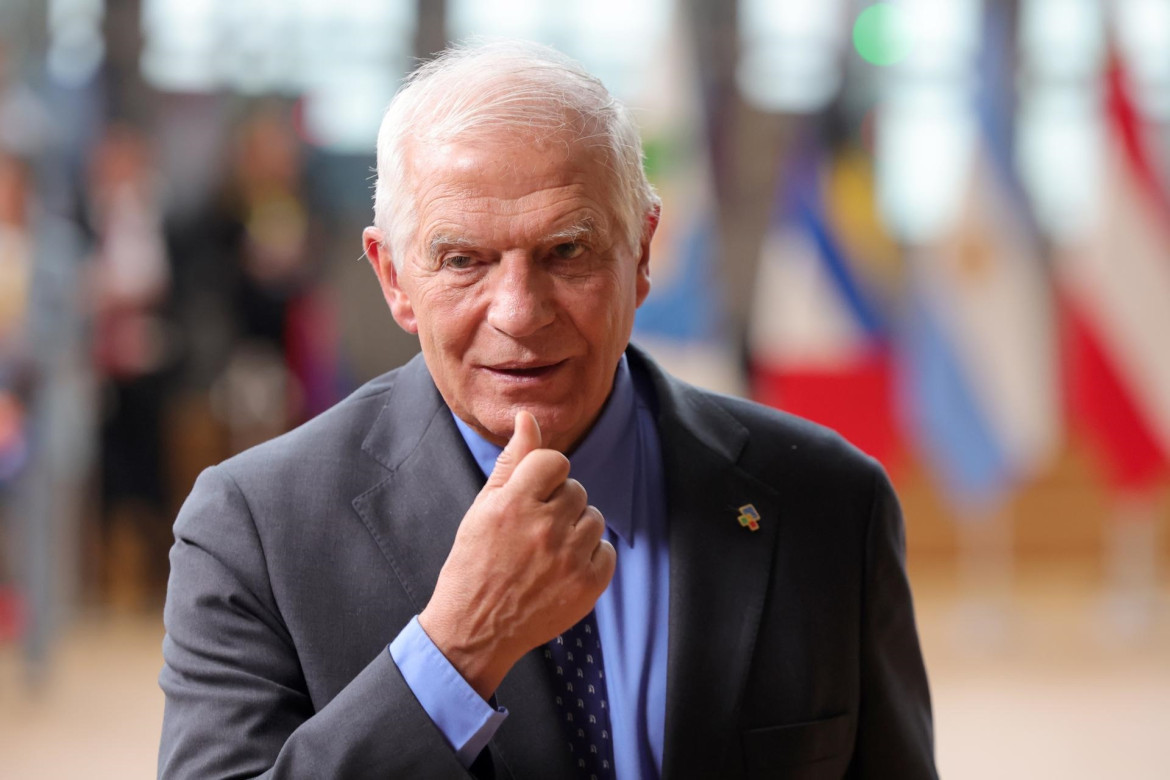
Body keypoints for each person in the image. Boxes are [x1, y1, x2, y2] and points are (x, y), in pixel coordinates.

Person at [158, 41, 937, 779]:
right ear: (394, 277)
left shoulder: (833, 503)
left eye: (566, 251)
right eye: (463, 260)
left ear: (641, 254)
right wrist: (455, 654)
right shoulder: (253, 529)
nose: (519, 313)